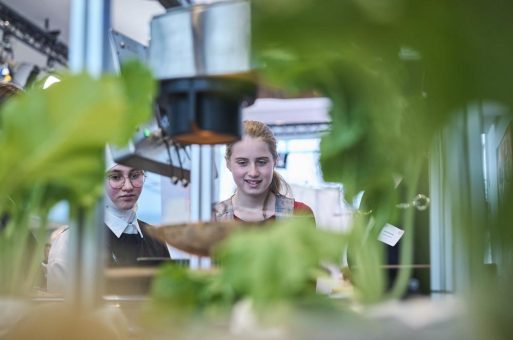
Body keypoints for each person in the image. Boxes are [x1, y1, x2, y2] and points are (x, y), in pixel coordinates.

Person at [47, 153, 171, 293]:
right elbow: (59, 310)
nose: (128, 186)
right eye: (116, 177)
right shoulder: (72, 242)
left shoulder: (156, 238)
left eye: (135, 175)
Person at [214, 120, 316, 224]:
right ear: (228, 163)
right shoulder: (214, 218)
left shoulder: (299, 215)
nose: (253, 172)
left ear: (275, 161)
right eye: (242, 162)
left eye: (261, 162)